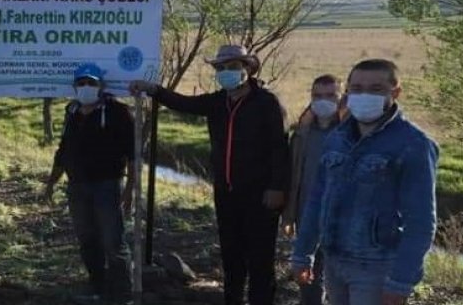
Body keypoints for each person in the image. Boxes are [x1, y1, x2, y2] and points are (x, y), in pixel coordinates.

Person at [130, 44, 290, 305]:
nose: (226, 72)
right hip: (225, 193)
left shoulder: (266, 103)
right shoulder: (217, 101)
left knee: (260, 258)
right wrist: (153, 90)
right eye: (221, 68)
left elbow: (279, 148)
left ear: (247, 69)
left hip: (260, 195)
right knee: (231, 255)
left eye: (233, 67)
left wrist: (276, 188)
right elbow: (183, 102)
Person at [290, 59, 439, 305]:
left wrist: (401, 281)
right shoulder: (336, 138)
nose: (364, 95)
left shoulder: (413, 145)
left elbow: (421, 222)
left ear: (396, 92)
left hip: (377, 266)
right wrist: (302, 253)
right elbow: (317, 200)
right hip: (333, 259)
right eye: (357, 89)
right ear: (347, 93)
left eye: (376, 89)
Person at [43, 63, 136, 305]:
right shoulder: (71, 112)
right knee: (86, 238)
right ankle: (97, 286)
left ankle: (123, 295)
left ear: (101, 85)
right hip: (77, 186)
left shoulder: (118, 111)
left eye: (91, 83)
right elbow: (63, 150)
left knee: (113, 242)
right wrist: (52, 182)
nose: (86, 87)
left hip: (107, 186)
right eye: (81, 83)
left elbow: (132, 153)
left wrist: (129, 189)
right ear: (74, 86)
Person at [282, 74, 344, 305]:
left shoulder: (351, 132)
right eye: (317, 95)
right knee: (308, 277)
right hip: (306, 215)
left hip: (341, 220)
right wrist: (288, 216)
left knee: (338, 280)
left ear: (341, 98)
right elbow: (293, 177)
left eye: (330, 96)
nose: (323, 101)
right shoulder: (301, 134)